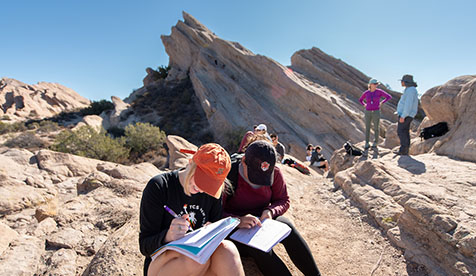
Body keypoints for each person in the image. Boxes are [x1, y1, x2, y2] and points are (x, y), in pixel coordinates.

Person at [139, 143, 245, 276]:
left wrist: (211, 231)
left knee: (228, 249)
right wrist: (169, 236)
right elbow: (144, 246)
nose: (202, 189)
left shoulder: (210, 193)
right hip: (163, 265)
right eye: (202, 180)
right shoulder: (159, 187)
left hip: (200, 261)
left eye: (210, 185)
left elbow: (215, 233)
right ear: (190, 163)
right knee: (196, 260)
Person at [223, 140, 321, 276]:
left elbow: (283, 200)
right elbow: (214, 212)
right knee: (260, 248)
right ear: (244, 161)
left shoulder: (274, 172)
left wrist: (270, 211)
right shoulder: (229, 175)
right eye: (255, 175)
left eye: (264, 177)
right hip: (235, 229)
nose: (258, 181)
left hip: (262, 221)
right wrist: (238, 221)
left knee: (287, 228)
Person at [359, 78, 392, 149]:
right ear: (370, 84)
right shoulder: (366, 93)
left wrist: (382, 102)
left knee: (376, 127)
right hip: (368, 111)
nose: (376, 85)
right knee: (367, 127)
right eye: (375, 84)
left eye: (377, 84)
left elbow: (388, 97)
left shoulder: (379, 91)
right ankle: (367, 143)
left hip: (376, 111)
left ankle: (375, 142)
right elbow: (360, 100)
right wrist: (364, 104)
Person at [395, 74, 419, 155]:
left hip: (406, 115)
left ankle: (403, 150)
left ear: (406, 82)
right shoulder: (409, 89)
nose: (401, 83)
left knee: (401, 131)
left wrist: (403, 116)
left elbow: (408, 104)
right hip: (407, 114)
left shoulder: (410, 90)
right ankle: (405, 150)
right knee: (404, 131)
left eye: (402, 81)